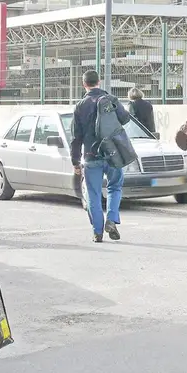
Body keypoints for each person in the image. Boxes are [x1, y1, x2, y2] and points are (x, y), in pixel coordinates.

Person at [71, 70, 132, 243]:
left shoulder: (80, 106)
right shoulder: (111, 99)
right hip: (113, 153)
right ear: (99, 81)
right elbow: (125, 119)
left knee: (93, 194)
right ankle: (111, 220)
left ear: (84, 84)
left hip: (91, 156)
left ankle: (97, 232)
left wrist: (75, 161)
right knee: (115, 187)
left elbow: (76, 137)